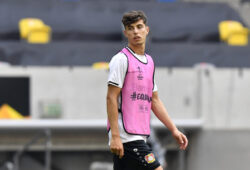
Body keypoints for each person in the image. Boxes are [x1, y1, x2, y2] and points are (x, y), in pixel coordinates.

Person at [106, 10, 188, 170]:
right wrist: (115, 136)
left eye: (139, 26)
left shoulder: (149, 62)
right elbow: (111, 98)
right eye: (131, 28)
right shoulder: (121, 60)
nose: (135, 31)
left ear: (146, 30)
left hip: (140, 135)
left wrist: (174, 130)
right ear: (126, 33)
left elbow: (154, 100)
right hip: (127, 137)